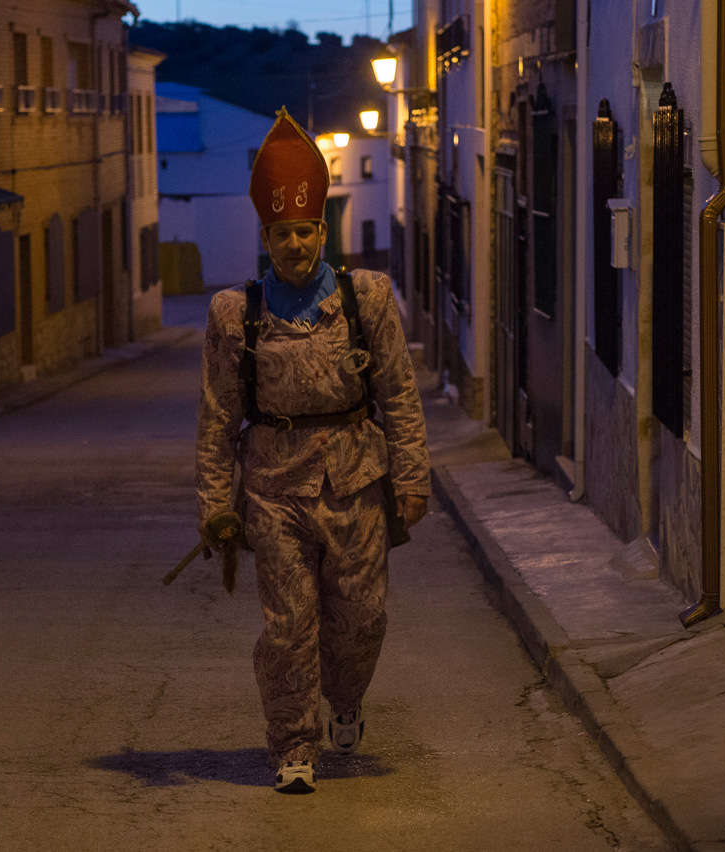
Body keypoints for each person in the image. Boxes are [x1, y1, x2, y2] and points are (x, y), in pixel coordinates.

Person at [194, 107, 430, 794]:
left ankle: (346, 698)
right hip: (273, 491)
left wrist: (412, 479)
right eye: (281, 234)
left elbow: (399, 394)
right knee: (288, 627)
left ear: (320, 232)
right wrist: (215, 504)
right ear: (264, 236)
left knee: (362, 619)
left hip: (357, 484)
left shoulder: (368, 299)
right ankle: (294, 746)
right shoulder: (236, 313)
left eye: (304, 231)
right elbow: (217, 418)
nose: (293, 244)